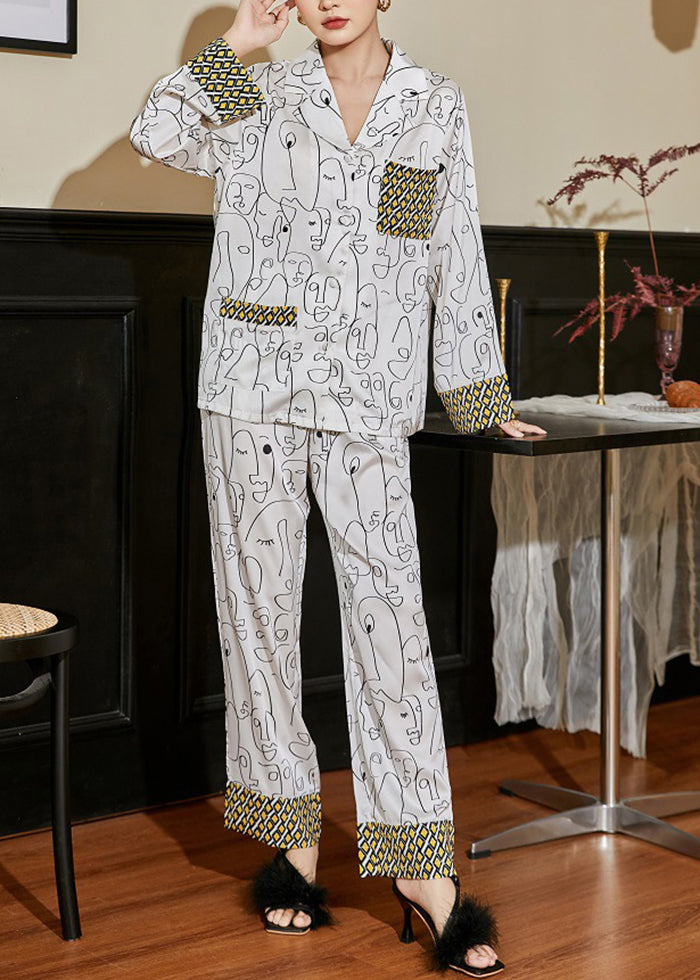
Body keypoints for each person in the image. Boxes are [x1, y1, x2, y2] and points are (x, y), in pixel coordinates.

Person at [130, 0, 546, 974]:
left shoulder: (431, 103)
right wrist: (237, 42)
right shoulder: (261, 90)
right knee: (260, 613)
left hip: (370, 394)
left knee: (391, 621)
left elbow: (451, 243)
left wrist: (479, 397)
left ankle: (421, 868)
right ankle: (292, 837)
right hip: (251, 384)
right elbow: (156, 134)